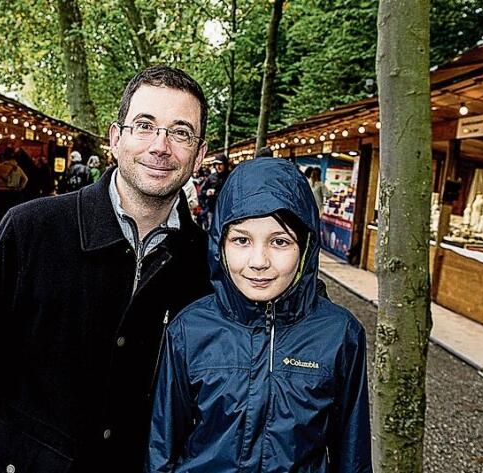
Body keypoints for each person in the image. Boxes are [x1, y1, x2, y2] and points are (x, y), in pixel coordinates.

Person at [0, 65, 212, 473]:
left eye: (181, 132)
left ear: (199, 154)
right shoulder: (30, 230)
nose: (161, 145)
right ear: (115, 139)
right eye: (145, 125)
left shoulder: (205, 262)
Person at [147, 158, 371, 473]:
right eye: (242, 240)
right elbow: (162, 447)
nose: (258, 261)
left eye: (279, 242)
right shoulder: (189, 330)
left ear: (305, 247)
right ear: (220, 245)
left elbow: (353, 454)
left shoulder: (340, 334)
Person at [0, 148, 29, 219]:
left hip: (1, 191)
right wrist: (20, 187)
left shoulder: (1, 166)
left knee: (1, 210)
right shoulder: (17, 168)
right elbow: (25, 179)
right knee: (12, 210)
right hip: (14, 191)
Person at [199, 154, 230, 229]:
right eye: (216, 164)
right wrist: (206, 192)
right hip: (212, 209)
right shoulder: (211, 177)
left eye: (220, 164)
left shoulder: (231, 176)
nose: (218, 167)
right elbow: (201, 192)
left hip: (227, 210)